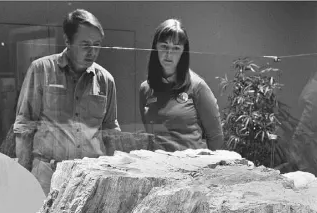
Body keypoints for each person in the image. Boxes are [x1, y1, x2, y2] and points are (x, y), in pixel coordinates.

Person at [14, 9, 120, 195]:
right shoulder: (41, 70)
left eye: (97, 45)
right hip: (48, 176)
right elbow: (24, 127)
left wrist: (111, 178)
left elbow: (110, 133)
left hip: (90, 179)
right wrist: (23, 179)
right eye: (85, 44)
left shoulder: (106, 80)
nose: (92, 52)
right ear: (67, 42)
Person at [139, 19, 224, 152]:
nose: (169, 54)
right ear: (156, 47)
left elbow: (216, 137)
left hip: (193, 169)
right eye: (164, 46)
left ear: (184, 51)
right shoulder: (145, 89)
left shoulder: (198, 86)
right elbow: (150, 134)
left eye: (176, 48)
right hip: (159, 167)